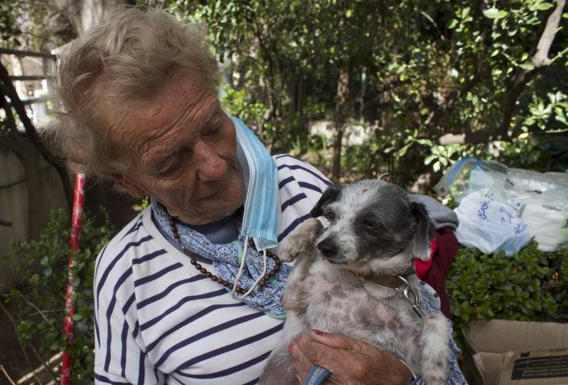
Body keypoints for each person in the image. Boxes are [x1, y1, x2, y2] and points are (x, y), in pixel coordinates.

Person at [54, 7, 467, 385]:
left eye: (214, 124)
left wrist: (401, 378)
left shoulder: (302, 186)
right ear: (130, 183)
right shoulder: (126, 273)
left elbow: (410, 310)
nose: (215, 164)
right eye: (170, 162)